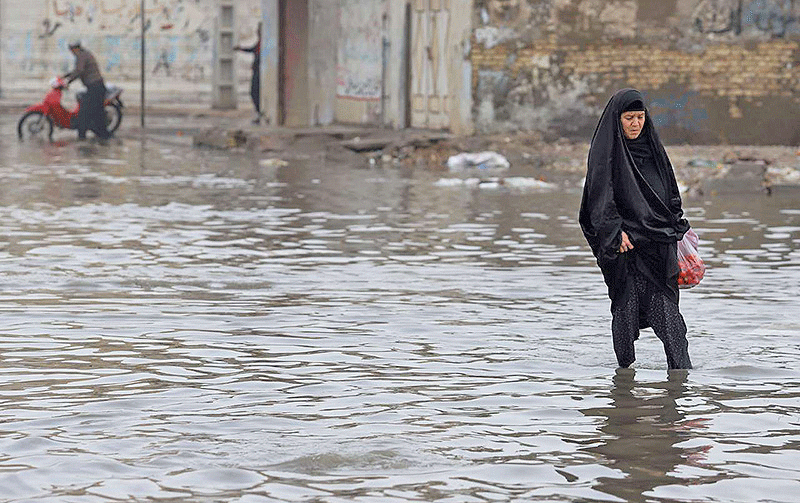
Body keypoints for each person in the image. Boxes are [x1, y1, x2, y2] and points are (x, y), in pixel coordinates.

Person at [579, 88, 693, 370]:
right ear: (617, 119)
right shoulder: (606, 155)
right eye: (629, 118)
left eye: (640, 117)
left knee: (670, 321)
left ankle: (680, 384)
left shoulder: (654, 151)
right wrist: (614, 232)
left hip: (657, 247)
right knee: (626, 316)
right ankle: (624, 384)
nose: (635, 124)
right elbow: (599, 198)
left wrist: (679, 228)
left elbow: (670, 193)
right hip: (625, 251)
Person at [62, 40, 111, 140]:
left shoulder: (81, 56)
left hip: (95, 88)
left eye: (71, 50)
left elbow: (79, 71)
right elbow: (77, 70)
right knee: (97, 112)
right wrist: (65, 76)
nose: (71, 52)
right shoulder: (84, 54)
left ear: (75, 49)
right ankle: (103, 135)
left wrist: (68, 81)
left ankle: (82, 137)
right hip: (96, 87)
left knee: (84, 112)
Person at [234, 22, 263, 124]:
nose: (257, 32)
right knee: (254, 93)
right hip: (256, 71)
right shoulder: (259, 43)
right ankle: (259, 113)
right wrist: (241, 48)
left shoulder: (266, 43)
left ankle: (260, 114)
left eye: (259, 30)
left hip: (260, 73)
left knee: (255, 92)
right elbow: (252, 49)